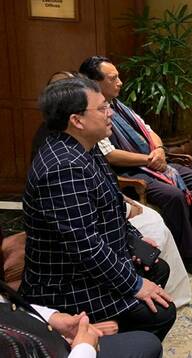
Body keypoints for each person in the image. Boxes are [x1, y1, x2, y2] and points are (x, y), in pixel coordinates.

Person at [21, 77, 176, 341]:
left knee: (157, 268)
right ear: (77, 120)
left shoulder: (86, 149)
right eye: (102, 108)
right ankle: (106, 343)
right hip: (67, 286)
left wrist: (134, 241)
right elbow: (85, 246)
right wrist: (135, 285)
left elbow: (112, 206)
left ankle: (121, 336)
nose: (110, 113)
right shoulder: (64, 168)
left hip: (86, 269)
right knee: (161, 313)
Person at [79, 56, 192, 277]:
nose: (120, 82)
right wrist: (149, 160)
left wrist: (159, 150)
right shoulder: (93, 112)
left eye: (118, 77)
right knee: (173, 196)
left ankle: (188, 238)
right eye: (113, 78)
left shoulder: (119, 106)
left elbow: (148, 130)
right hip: (130, 171)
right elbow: (110, 155)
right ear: (95, 82)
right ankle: (188, 256)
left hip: (150, 161)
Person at [0, 281, 162, 358]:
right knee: (149, 337)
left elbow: (5, 303)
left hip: (43, 339)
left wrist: (52, 318)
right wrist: (85, 348)